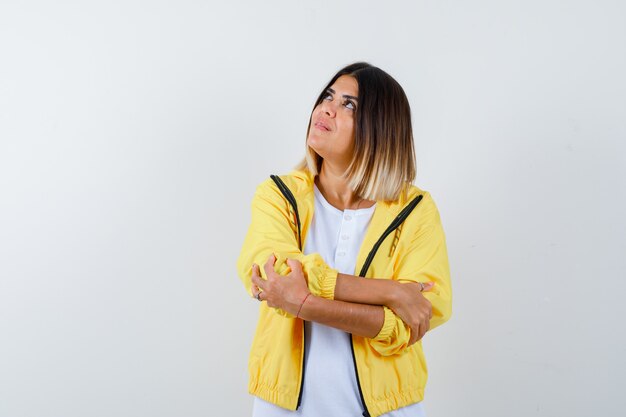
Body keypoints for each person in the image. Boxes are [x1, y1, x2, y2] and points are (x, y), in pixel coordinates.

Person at [236, 62, 452, 417]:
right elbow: (272, 273)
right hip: (284, 409)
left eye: (348, 104)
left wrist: (304, 304)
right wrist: (391, 291)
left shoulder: (415, 211)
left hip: (387, 409)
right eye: (328, 96)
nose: (326, 108)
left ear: (379, 129)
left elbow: (411, 321)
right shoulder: (278, 195)